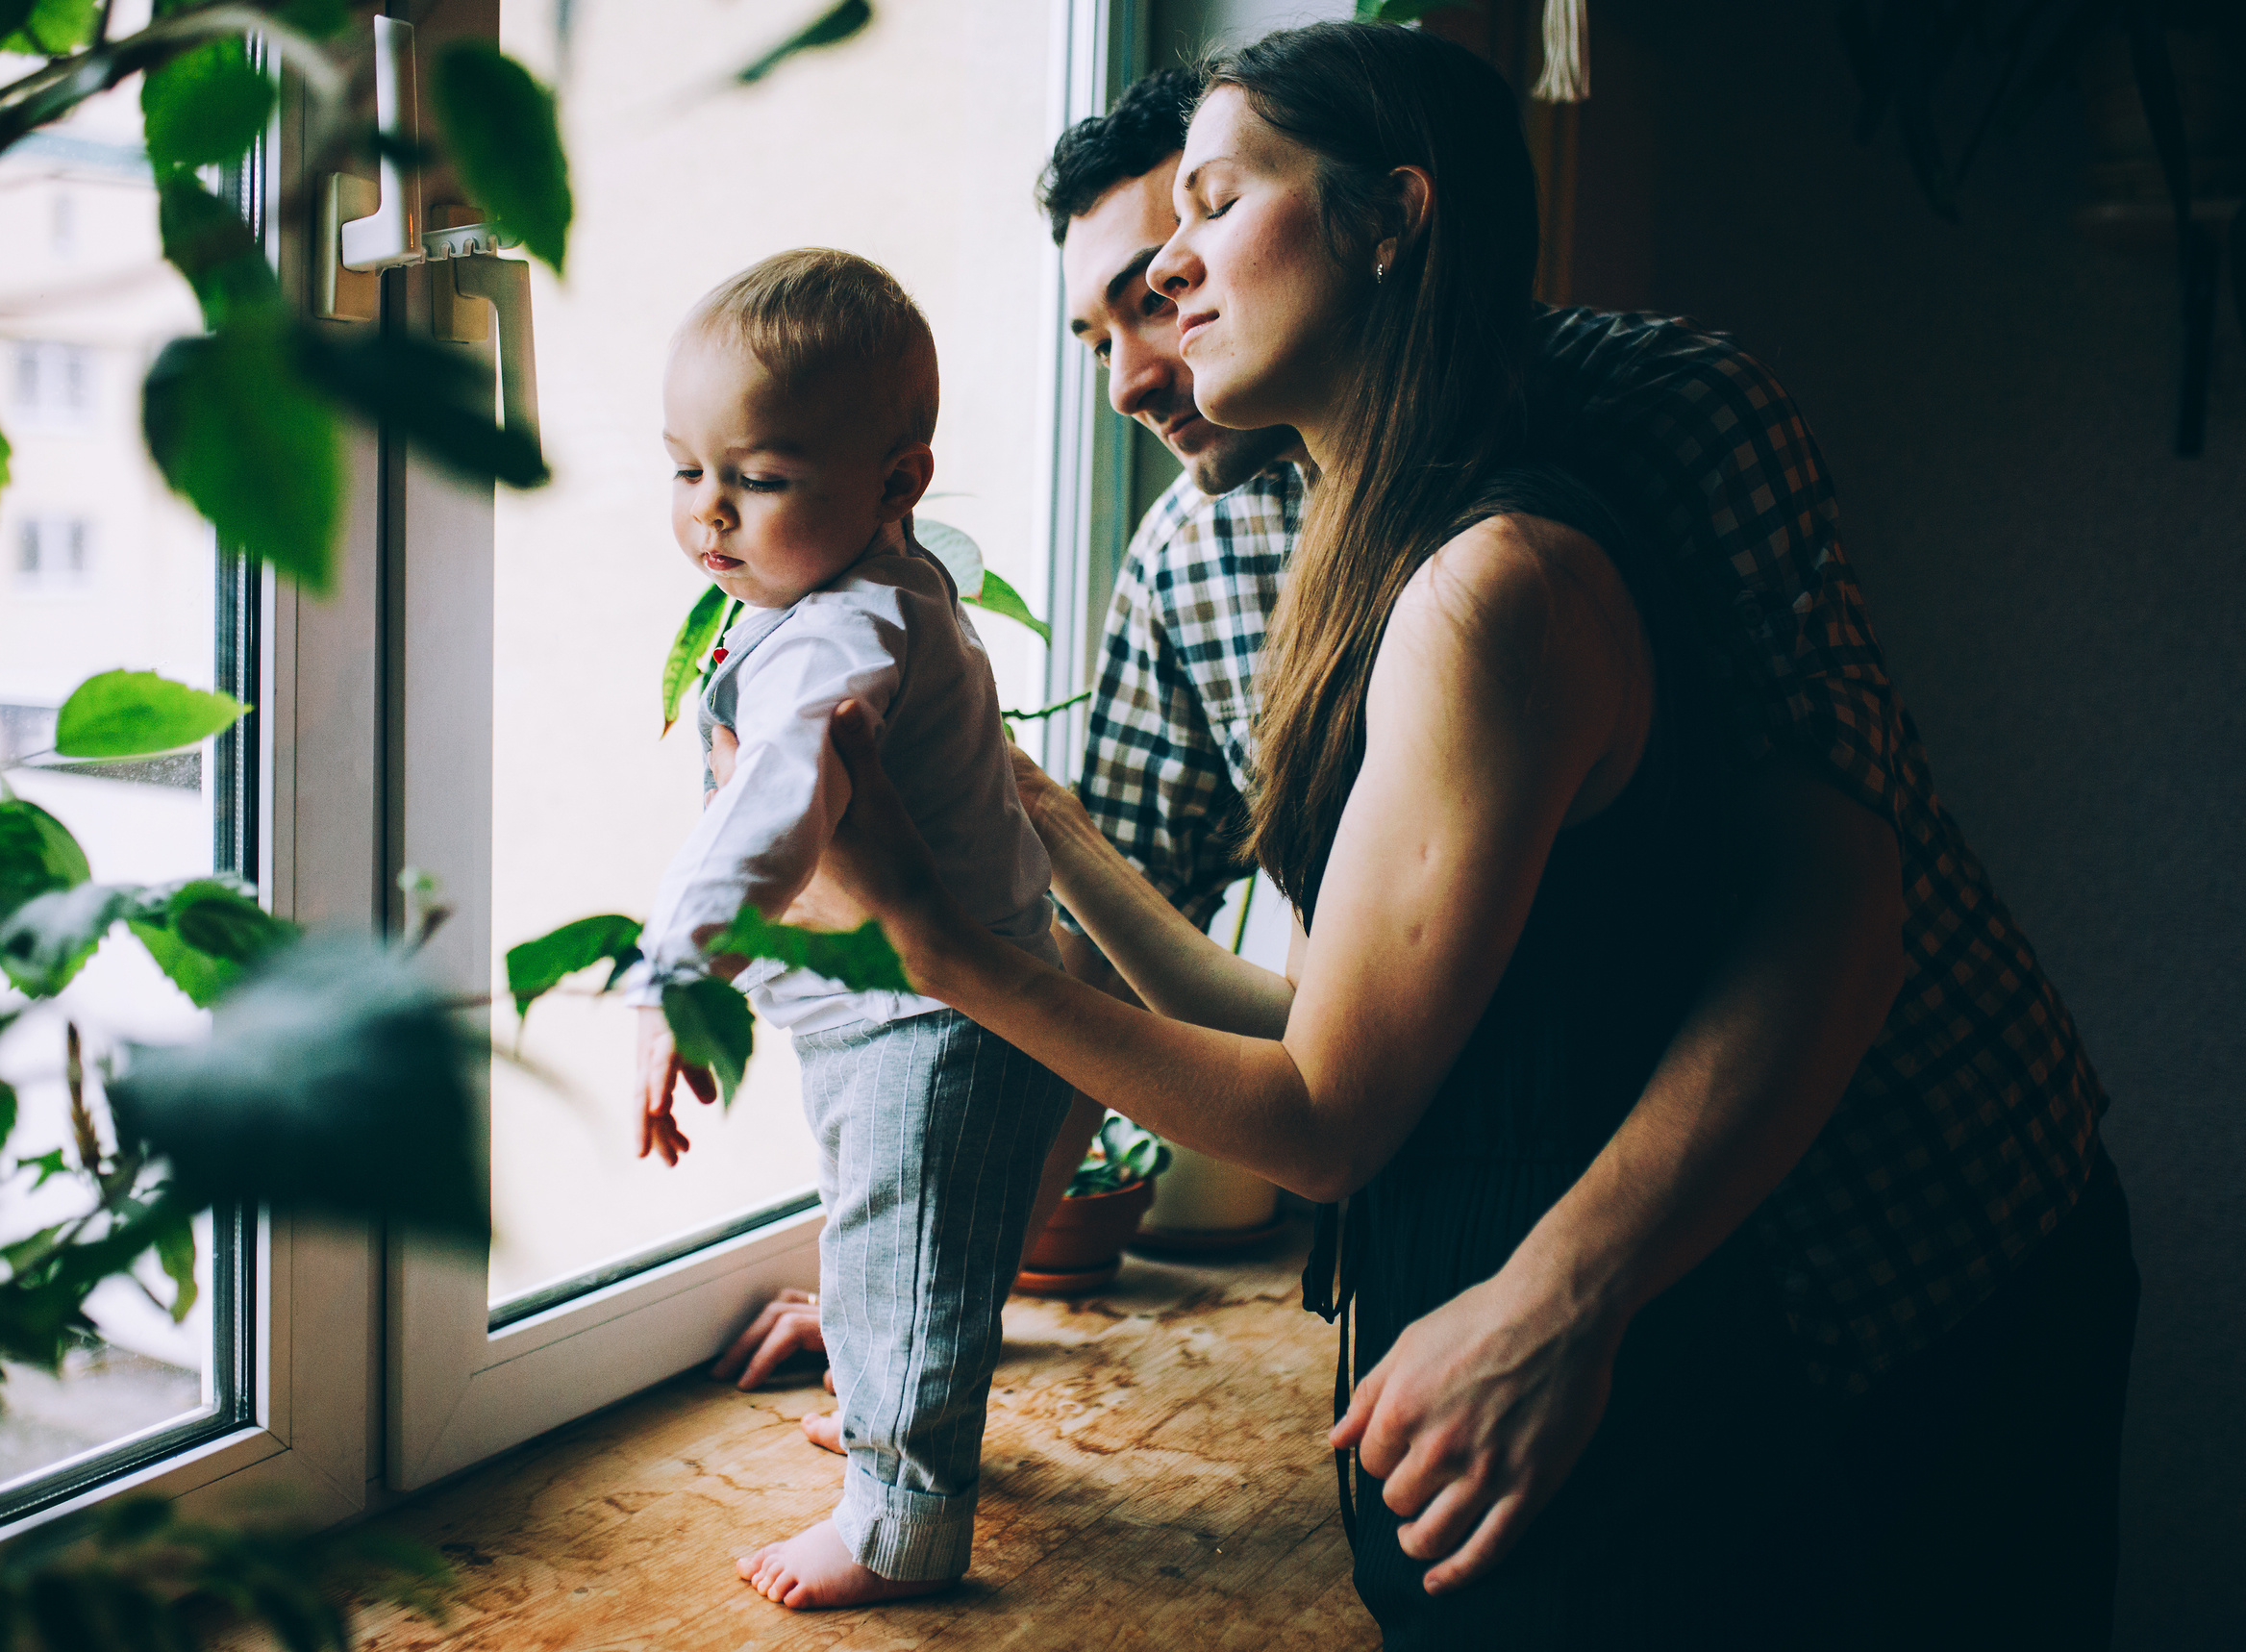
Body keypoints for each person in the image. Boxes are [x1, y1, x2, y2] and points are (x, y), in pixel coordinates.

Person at [755, 21, 2136, 1650]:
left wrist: (1568, 1289)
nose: (1139, 355)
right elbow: (1111, 996)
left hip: (1928, 1232)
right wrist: (923, 1308)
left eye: (1172, 258)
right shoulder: (1199, 560)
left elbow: (1829, 903)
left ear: (1384, 218)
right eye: (1097, 325)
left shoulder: (1640, 442)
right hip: (1596, 1370)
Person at [627, 249, 1074, 1611]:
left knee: (898, 1248)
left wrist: (671, 977)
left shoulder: (841, 633)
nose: (710, 513)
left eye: (756, 478)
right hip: (917, 1008)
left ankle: (902, 1518)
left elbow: (775, 800)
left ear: (897, 483)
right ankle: (900, 1415)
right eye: (686, 469)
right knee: (907, 1249)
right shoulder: (860, 592)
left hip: (928, 1018)